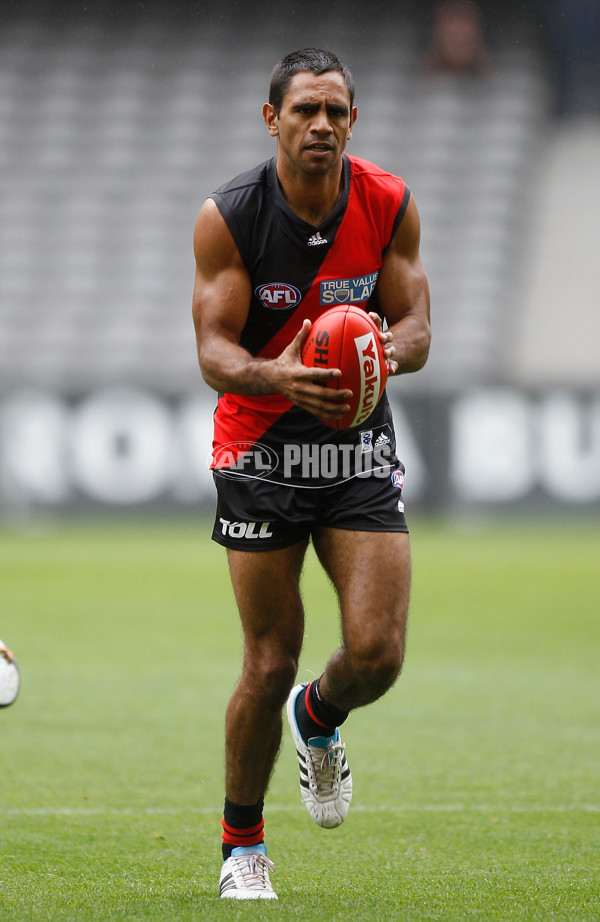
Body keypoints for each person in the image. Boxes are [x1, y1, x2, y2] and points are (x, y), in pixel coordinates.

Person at [191, 47, 430, 900]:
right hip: (260, 446)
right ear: (273, 120)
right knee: (267, 658)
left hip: (357, 440)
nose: (321, 125)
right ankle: (242, 848)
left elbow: (416, 329)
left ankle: (318, 716)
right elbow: (214, 352)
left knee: (377, 654)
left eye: (336, 111)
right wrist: (278, 374)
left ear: (352, 122)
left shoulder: (389, 201)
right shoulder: (231, 216)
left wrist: (379, 353)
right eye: (304, 111)